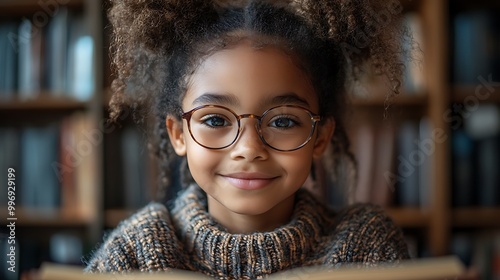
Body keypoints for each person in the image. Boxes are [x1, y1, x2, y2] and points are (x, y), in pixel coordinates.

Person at [85, 0, 410, 278]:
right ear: (179, 134)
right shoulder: (134, 253)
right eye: (214, 119)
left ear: (320, 137)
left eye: (283, 121)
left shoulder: (366, 247)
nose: (249, 149)